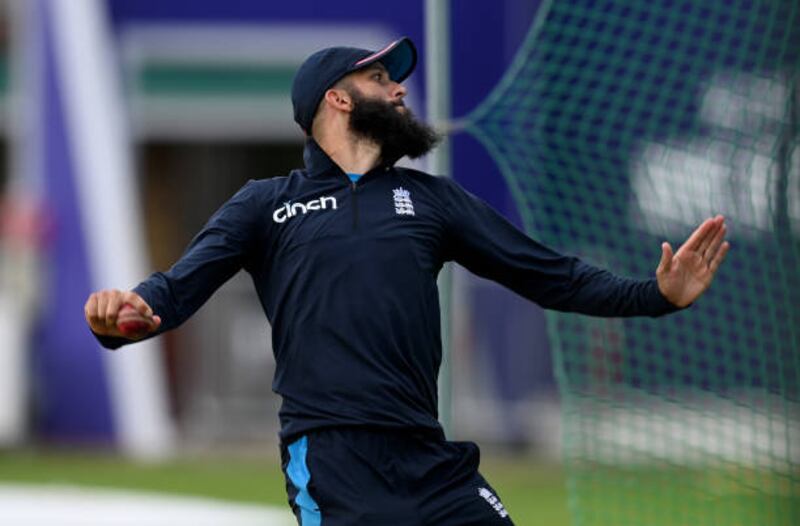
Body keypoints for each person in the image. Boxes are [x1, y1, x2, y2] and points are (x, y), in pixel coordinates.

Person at [84, 37, 729, 525]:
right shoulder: (266, 204)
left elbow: (548, 275)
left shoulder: (432, 201)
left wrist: (656, 297)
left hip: (431, 461)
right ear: (336, 99)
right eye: (378, 77)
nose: (397, 91)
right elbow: (174, 289)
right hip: (333, 463)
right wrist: (126, 316)